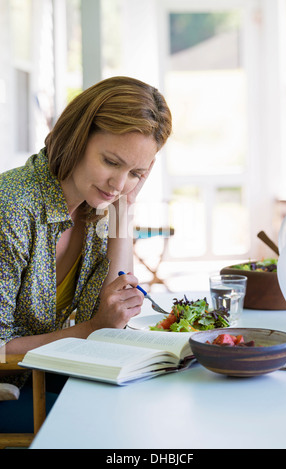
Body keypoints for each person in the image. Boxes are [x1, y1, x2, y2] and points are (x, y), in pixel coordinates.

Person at [0, 76, 172, 432]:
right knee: (116, 422)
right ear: (77, 137)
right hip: (10, 387)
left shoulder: (92, 207)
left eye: (136, 173)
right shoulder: (12, 208)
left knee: (161, 400)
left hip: (37, 377)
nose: (119, 184)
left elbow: (112, 314)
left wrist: (125, 210)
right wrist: (93, 328)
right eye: (111, 161)